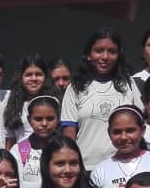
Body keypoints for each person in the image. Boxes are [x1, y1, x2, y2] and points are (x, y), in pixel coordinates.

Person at [60, 29, 142, 170]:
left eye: (112, 52)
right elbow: (69, 134)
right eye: (98, 51)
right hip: (87, 167)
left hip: (126, 166)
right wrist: (73, 165)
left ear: (119, 55)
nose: (105, 56)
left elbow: (140, 124)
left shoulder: (128, 83)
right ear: (88, 55)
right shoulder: (75, 87)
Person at [14, 95, 61, 188]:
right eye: (38, 119)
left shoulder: (66, 149)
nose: (44, 124)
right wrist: (50, 186)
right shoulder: (19, 150)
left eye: (50, 118)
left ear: (58, 118)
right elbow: (18, 187)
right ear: (29, 120)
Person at [1, 54, 51, 146]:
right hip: (20, 154)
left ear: (45, 77)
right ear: (21, 78)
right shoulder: (14, 105)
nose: (34, 78)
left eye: (38, 74)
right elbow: (10, 142)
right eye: (28, 75)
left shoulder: (53, 104)